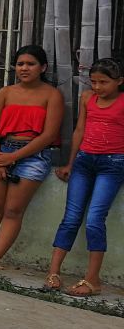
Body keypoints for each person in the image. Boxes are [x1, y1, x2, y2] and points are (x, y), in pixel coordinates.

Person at [0, 45, 64, 277]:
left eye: (30, 64)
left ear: (43, 67)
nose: (24, 68)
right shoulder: (5, 92)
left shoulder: (52, 95)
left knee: (13, 210)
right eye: (20, 64)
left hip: (34, 155)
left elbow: (49, 135)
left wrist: (13, 158)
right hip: (2, 150)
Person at [45, 58, 124, 297]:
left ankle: (93, 279)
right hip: (84, 162)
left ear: (119, 81)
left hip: (113, 164)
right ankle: (53, 272)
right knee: (71, 217)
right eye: (94, 82)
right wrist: (71, 162)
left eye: (104, 82)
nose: (98, 87)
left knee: (94, 219)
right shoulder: (87, 98)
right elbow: (80, 130)